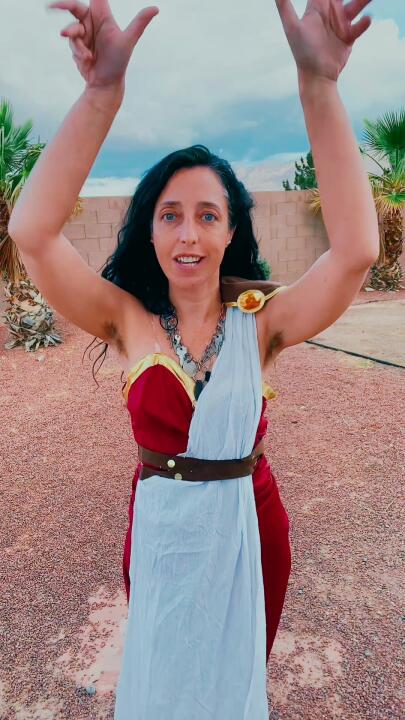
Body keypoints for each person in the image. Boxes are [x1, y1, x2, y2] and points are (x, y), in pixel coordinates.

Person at [8, 0, 379, 717]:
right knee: (165, 682)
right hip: (161, 535)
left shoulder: (262, 322)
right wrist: (101, 93)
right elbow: (32, 232)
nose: (188, 234)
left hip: (251, 529)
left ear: (231, 230)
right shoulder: (125, 320)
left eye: (208, 215)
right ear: (149, 230)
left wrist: (318, 85)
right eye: (170, 214)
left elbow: (356, 251)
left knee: (232, 685)